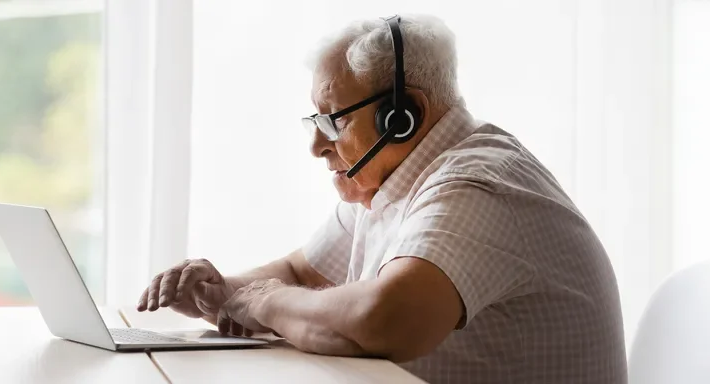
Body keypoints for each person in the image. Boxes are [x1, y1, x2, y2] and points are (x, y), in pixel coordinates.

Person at [136, 13, 627, 384]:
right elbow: (302, 273)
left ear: (404, 114)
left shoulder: (477, 185)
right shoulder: (389, 183)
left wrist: (265, 303)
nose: (316, 145)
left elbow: (383, 320)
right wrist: (223, 293)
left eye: (335, 119)